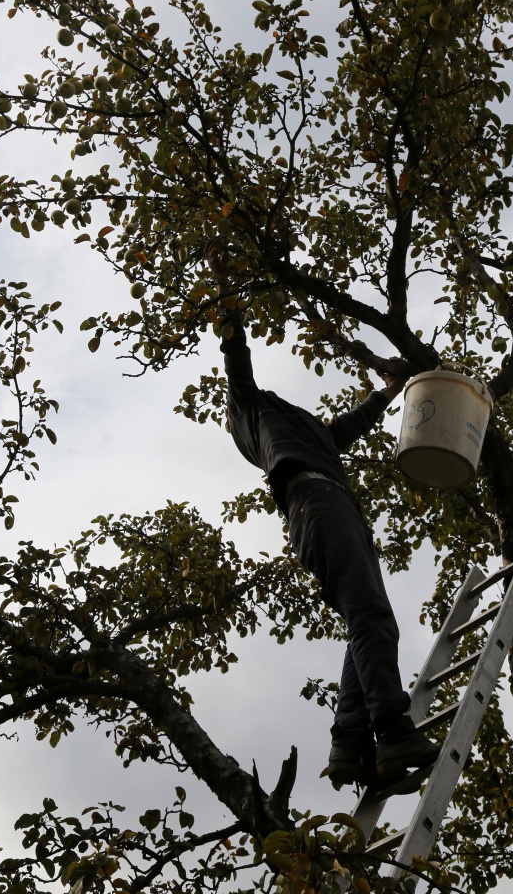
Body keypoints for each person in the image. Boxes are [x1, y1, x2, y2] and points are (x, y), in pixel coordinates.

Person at [206, 241, 439, 792]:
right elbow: (236, 357)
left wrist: (387, 392)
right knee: (372, 617)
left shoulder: (309, 430)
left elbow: (343, 431)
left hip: (336, 506)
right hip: (316, 504)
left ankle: (352, 746)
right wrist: (225, 291)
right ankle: (391, 728)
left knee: (367, 619)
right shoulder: (248, 409)